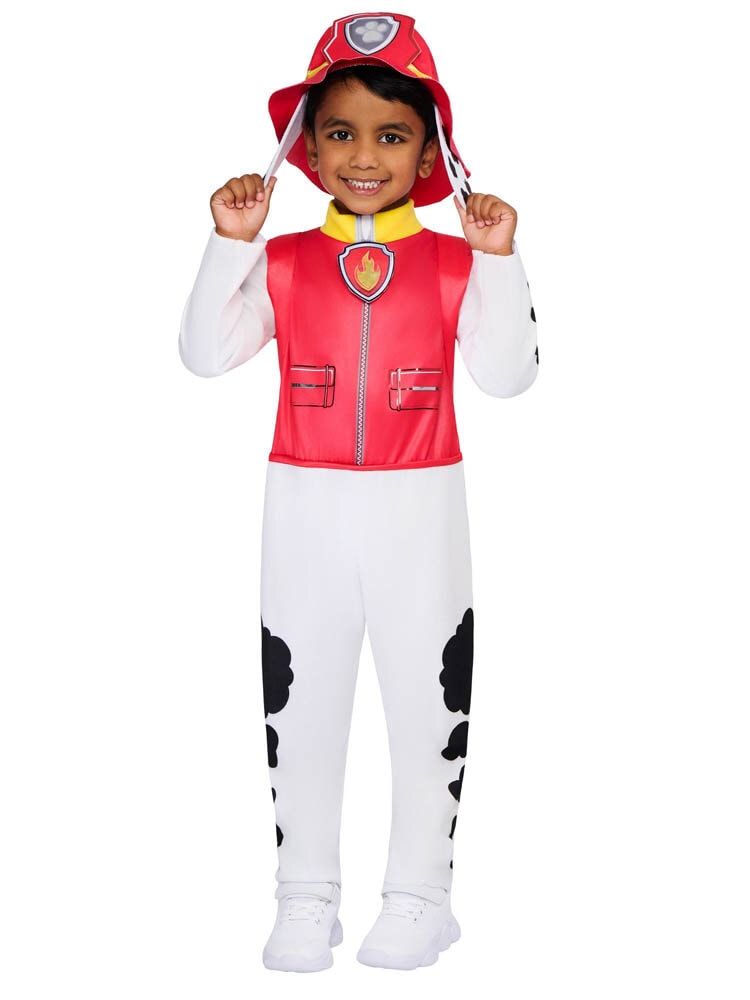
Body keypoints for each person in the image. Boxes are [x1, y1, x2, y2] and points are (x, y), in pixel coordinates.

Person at [178, 11, 538, 973]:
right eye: (340, 132)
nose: (365, 156)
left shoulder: (457, 262)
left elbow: (508, 376)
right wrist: (231, 243)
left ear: (431, 152)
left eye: (392, 134)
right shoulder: (283, 261)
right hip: (303, 505)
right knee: (300, 704)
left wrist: (499, 258)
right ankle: (305, 896)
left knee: (428, 704)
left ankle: (423, 896)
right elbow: (204, 355)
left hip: (423, 506)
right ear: (306, 147)